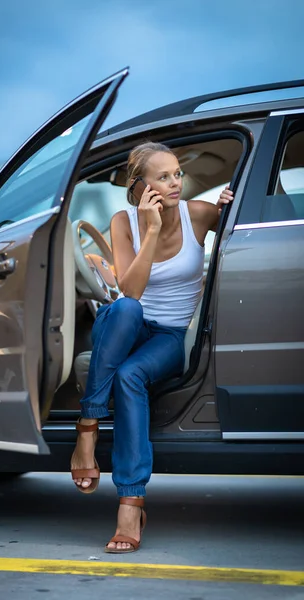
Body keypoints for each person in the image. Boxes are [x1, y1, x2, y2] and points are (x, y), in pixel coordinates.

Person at [70, 142, 234, 553]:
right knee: (124, 309)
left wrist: (236, 201)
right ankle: (88, 427)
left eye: (177, 173)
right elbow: (131, 290)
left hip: (168, 338)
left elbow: (261, 218)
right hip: (129, 323)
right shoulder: (123, 222)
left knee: (130, 376)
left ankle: (131, 502)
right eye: (164, 177)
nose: (176, 183)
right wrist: (152, 230)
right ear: (140, 186)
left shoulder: (197, 213)